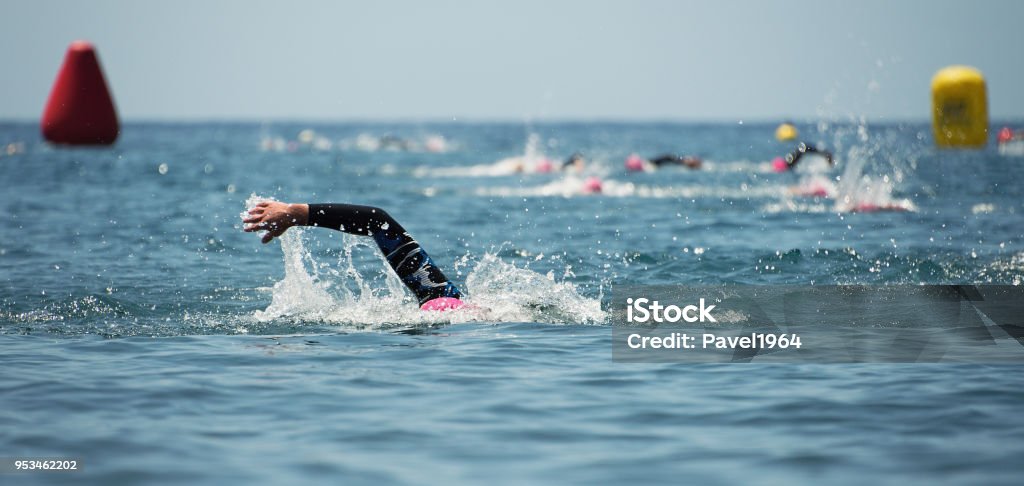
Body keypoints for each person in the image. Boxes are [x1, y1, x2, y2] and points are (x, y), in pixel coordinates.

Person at [243, 201, 465, 311]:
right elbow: (377, 222)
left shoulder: (444, 305)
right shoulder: (446, 304)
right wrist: (298, 213)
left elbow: (378, 222)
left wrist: (297, 214)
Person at [624, 153, 701, 171]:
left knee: (668, 158)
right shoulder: (646, 166)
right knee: (669, 158)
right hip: (651, 163)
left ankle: (689, 161)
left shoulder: (646, 165)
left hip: (651, 163)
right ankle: (689, 161)